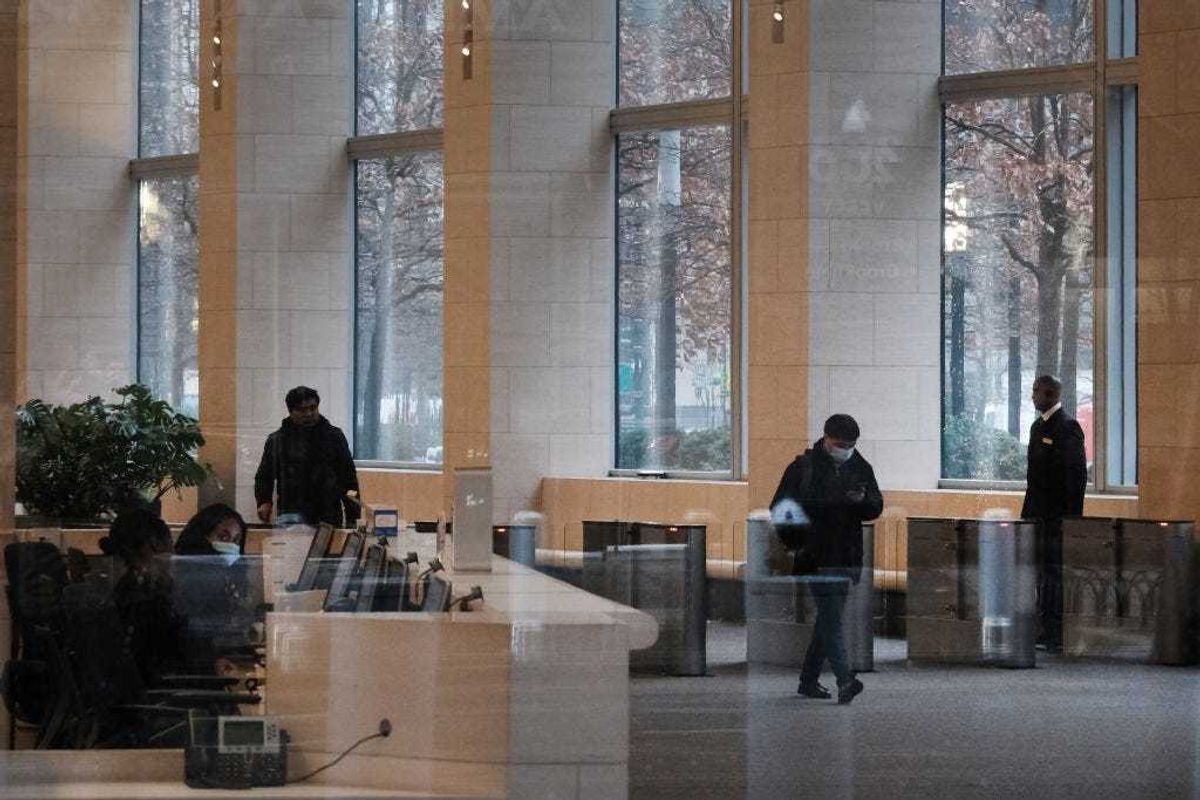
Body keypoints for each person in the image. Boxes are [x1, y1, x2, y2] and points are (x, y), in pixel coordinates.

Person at [770, 414, 883, 705]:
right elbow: (780, 507)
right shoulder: (803, 468)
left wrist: (862, 501)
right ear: (826, 438)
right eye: (840, 444)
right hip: (815, 554)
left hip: (846, 555)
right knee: (831, 618)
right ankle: (845, 680)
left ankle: (808, 680)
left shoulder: (860, 467)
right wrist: (796, 541)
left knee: (827, 619)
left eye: (850, 445)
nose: (845, 450)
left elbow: (875, 506)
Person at [1021, 374, 1087, 652]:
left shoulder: (1067, 427)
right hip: (1037, 516)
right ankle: (1044, 627)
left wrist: (1070, 519)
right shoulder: (1038, 427)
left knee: (1054, 574)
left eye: (1036, 391)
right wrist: (1027, 515)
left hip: (1056, 518)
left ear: (1050, 394)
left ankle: (1055, 631)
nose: (1033, 395)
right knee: (1040, 573)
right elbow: (1033, 479)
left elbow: (1076, 477)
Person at [100, 509, 186, 687]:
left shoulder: (123, 592)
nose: (173, 554)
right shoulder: (146, 600)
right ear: (155, 546)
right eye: (170, 546)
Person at [254, 386, 360, 527]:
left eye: (312, 408)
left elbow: (348, 478)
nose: (309, 414)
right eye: (302, 410)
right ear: (291, 411)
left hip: (327, 511)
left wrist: (353, 515)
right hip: (291, 512)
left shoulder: (334, 437)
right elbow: (264, 476)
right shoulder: (277, 441)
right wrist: (264, 501)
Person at [173, 504, 257, 672]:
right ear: (202, 536)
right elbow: (192, 636)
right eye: (223, 537)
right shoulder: (190, 580)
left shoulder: (225, 579)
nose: (232, 546)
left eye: (236, 541)